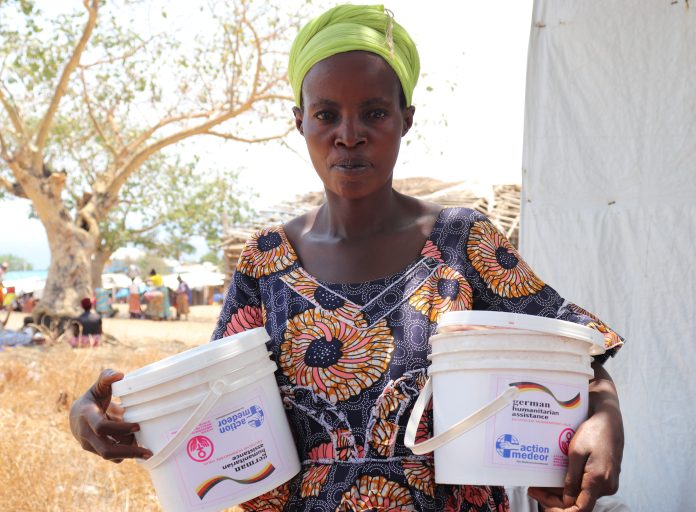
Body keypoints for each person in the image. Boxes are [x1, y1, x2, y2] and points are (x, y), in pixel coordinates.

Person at [69, 5, 625, 512]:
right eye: (327, 114)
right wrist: (96, 417)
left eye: (375, 113)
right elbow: (210, 404)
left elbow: (578, 350)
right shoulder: (268, 263)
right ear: (300, 122)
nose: (349, 136)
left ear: (406, 119)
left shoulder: (463, 241)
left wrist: (606, 416)